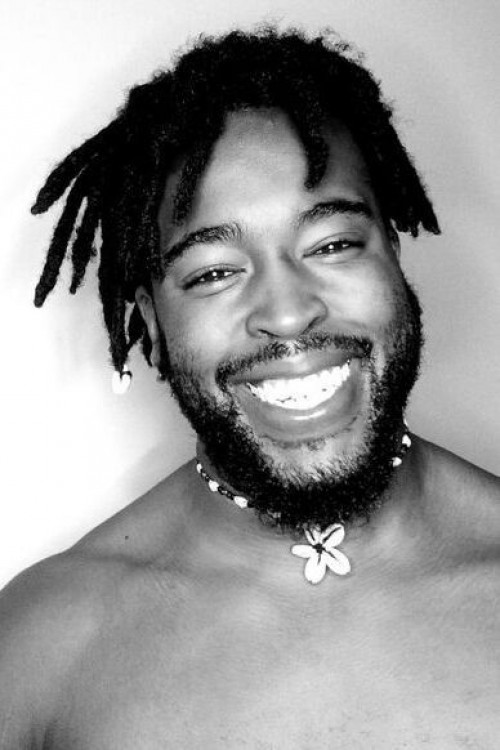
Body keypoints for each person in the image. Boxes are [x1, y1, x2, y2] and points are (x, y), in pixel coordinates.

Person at [1, 26, 499, 749]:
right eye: (213, 273)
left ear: (392, 257)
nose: (289, 313)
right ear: (151, 323)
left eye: (333, 244)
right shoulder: (40, 649)